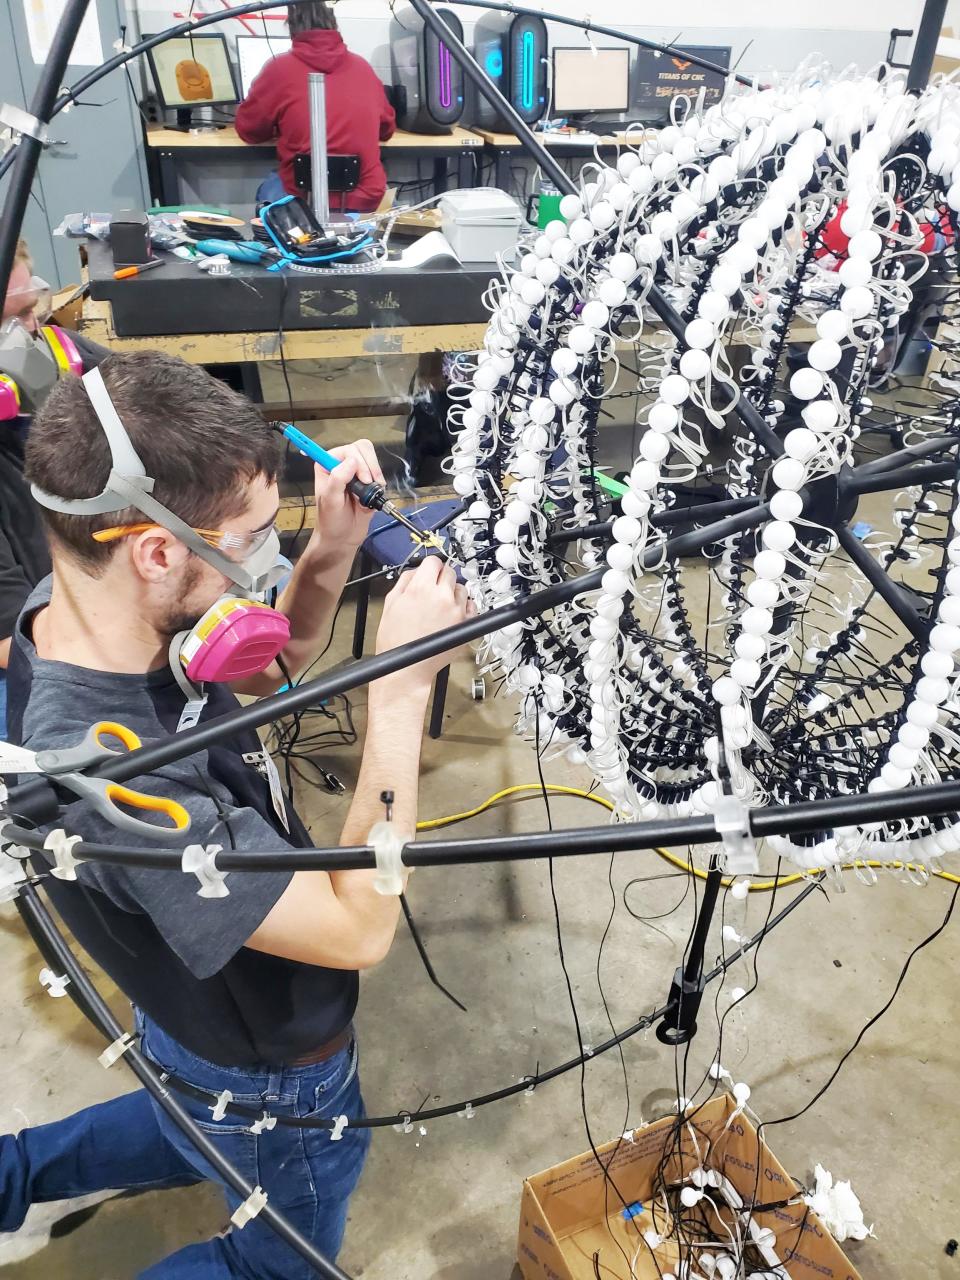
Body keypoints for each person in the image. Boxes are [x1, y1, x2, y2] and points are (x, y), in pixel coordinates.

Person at [0, 350, 470, 1277]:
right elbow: (357, 926)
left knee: (185, 1107)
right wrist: (402, 695)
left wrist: (330, 550)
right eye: (251, 538)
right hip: (268, 1060)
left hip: (192, 1013)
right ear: (158, 549)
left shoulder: (80, 606)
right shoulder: (118, 781)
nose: (266, 557)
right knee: (277, 1258)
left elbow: (253, 664)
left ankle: (11, 1175)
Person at [235, 0, 396, 212]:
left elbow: (250, 131)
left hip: (301, 198)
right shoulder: (363, 67)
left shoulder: (278, 69)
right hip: (364, 198)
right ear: (334, 26)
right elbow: (386, 130)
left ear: (292, 28)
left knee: (268, 188)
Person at [0, 240, 52, 736]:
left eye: (32, 312)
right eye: (12, 320)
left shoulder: (48, 354)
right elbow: (8, 638)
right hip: (18, 656)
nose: (29, 334)